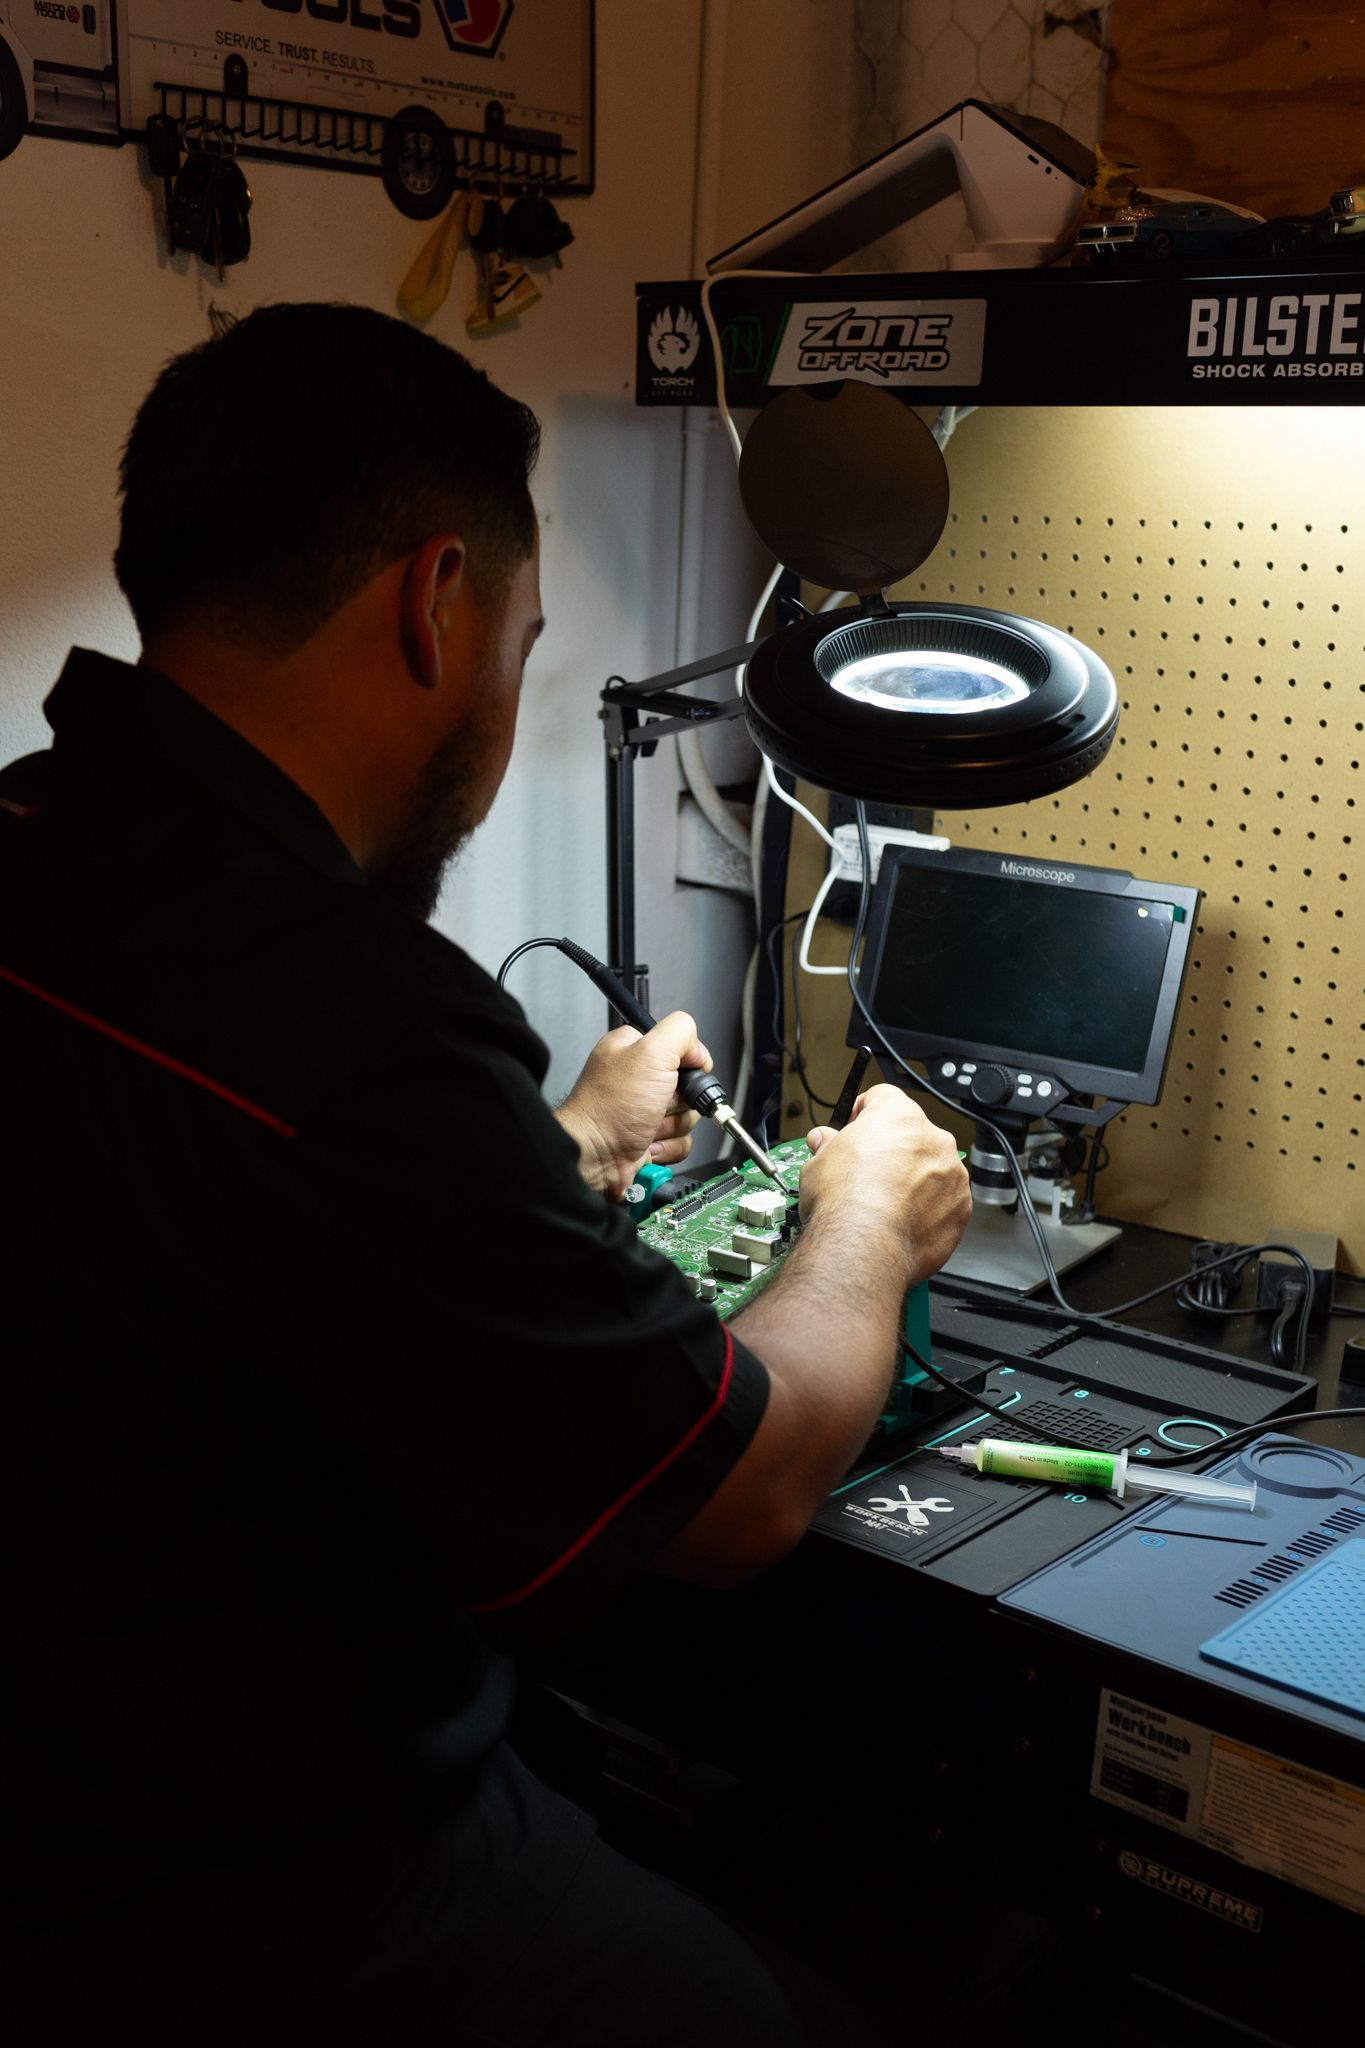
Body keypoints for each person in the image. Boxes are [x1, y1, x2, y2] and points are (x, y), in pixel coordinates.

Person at [0, 302, 970, 2046]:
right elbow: (738, 1498)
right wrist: (864, 1221)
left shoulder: (33, 844)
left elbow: (199, 1214)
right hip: (233, 1893)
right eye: (527, 643)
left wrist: (556, 1149)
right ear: (432, 604)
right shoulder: (347, 1016)